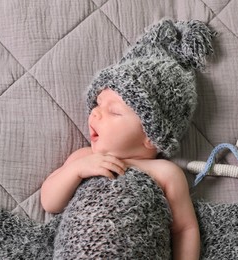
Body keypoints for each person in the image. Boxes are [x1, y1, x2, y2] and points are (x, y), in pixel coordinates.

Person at [41, 19, 215, 259]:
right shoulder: (84, 159)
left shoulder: (165, 173)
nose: (95, 113)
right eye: (97, 104)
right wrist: (75, 171)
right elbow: (50, 203)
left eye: (113, 111)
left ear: (151, 136)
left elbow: (185, 229)